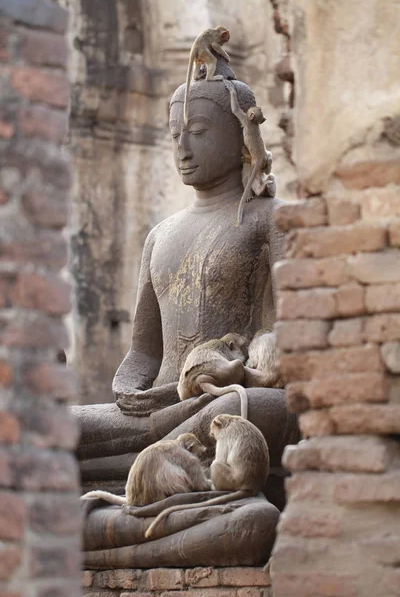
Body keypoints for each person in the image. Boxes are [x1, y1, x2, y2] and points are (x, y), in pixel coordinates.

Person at [76, 59, 299, 567]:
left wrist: (245, 370)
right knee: (44, 424)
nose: (182, 146)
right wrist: (129, 389)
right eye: (175, 133)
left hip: (223, 402)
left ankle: (102, 533)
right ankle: (144, 501)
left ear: (240, 135)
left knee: (261, 409)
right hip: (156, 410)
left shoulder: (269, 218)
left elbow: (292, 336)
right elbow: (143, 351)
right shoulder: (161, 234)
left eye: (198, 131)